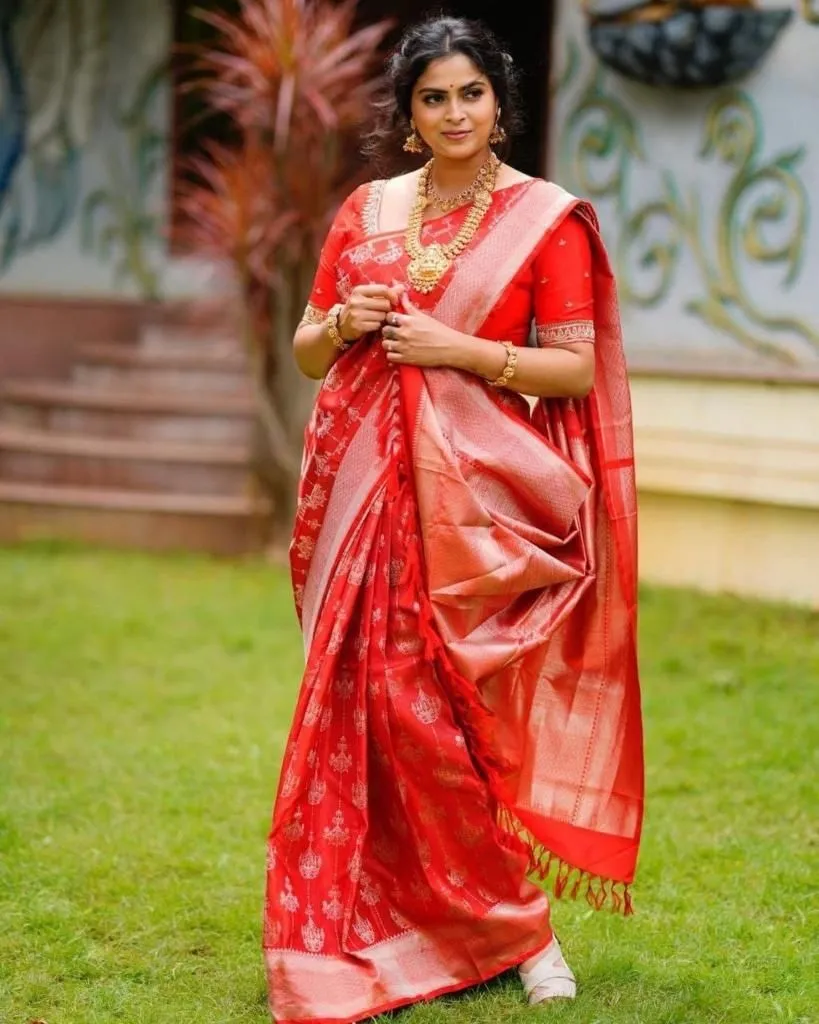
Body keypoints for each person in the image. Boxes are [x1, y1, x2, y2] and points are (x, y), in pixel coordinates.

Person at [263, 15, 644, 1023]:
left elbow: (571, 363)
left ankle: (520, 930)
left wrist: (453, 348)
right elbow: (309, 347)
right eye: (433, 97)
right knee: (383, 708)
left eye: (470, 92)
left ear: (498, 101)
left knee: (461, 721)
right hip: (368, 497)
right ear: (409, 113)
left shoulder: (544, 219)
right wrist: (342, 323)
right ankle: (386, 919)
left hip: (480, 502)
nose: (453, 112)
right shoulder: (368, 211)